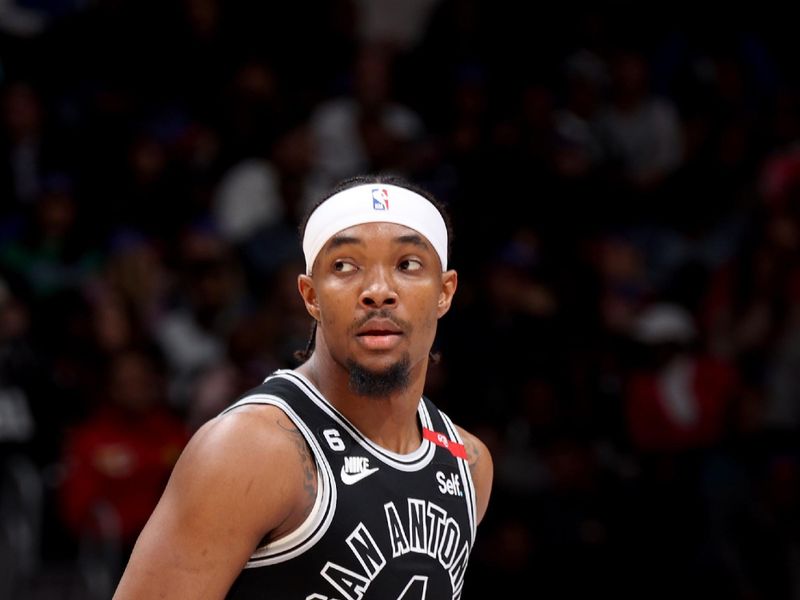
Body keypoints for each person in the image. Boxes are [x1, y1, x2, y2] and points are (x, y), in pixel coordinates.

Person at [113, 174, 493, 599]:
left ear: (445, 292)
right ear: (310, 296)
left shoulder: (468, 462)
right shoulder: (249, 449)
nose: (379, 291)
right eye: (345, 266)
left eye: (407, 265)